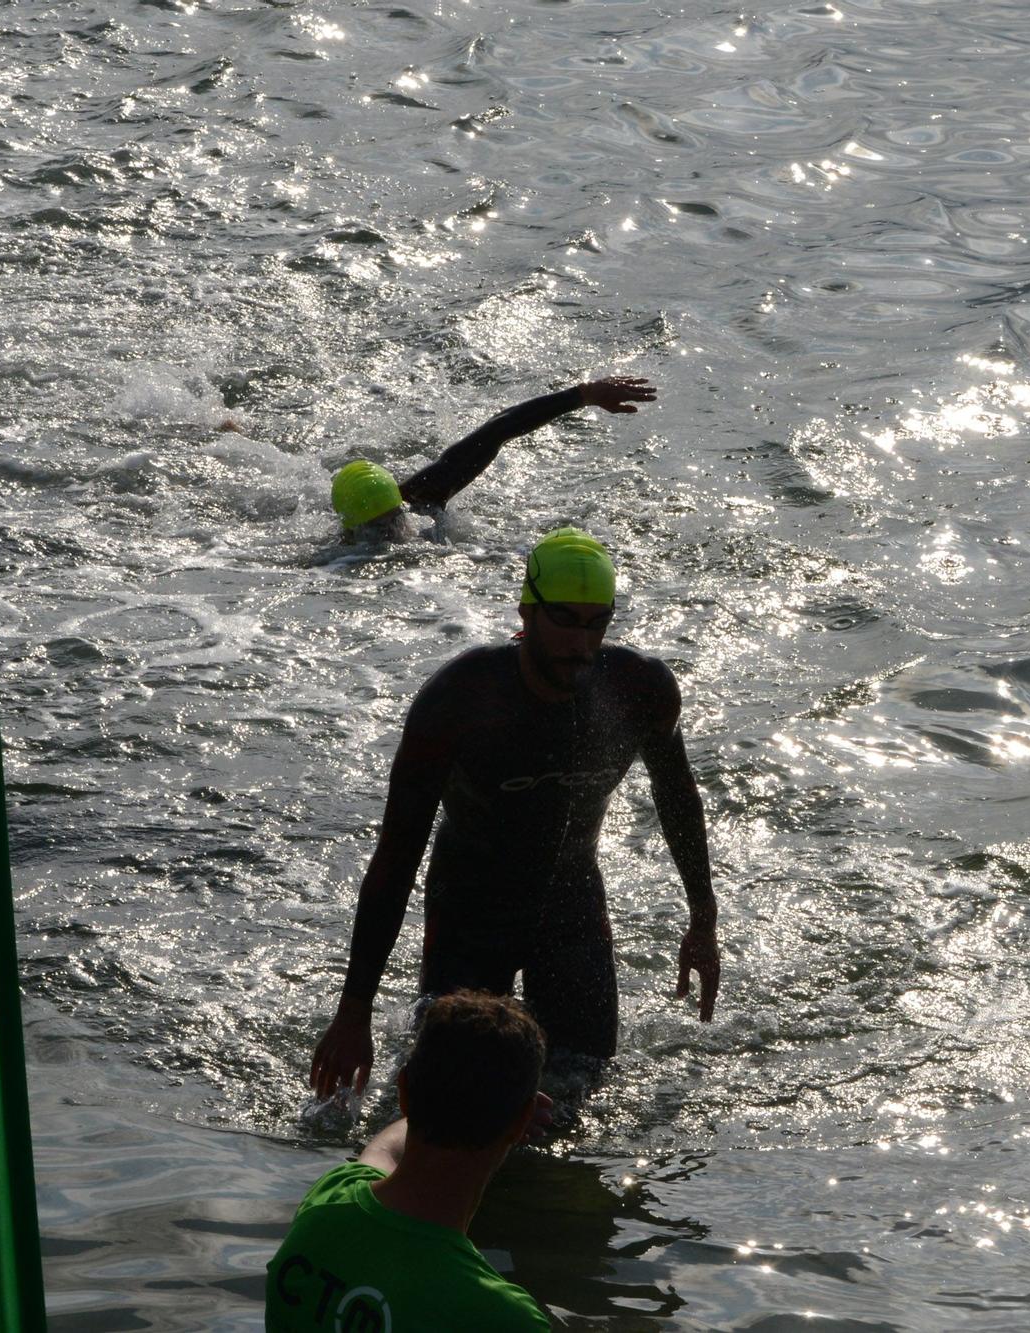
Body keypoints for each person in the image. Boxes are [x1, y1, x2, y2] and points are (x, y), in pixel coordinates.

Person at [308, 526, 721, 1094]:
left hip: (571, 903)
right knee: (456, 1096)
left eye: (596, 623)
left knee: (581, 1090)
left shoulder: (638, 690)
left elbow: (678, 799)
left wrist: (702, 918)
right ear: (527, 611)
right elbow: (399, 851)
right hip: (470, 907)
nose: (581, 643)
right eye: (564, 621)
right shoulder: (461, 699)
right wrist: (354, 1010)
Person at [268, 991, 552, 1331]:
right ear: (522, 1123)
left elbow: (384, 1150)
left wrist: (435, 1094)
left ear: (403, 1090)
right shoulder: (505, 1318)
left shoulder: (326, 1202)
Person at [328, 376, 657, 538]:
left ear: (402, 503)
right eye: (378, 527)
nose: (393, 532)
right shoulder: (328, 562)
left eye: (395, 518)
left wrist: (582, 395)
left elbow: (498, 429)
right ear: (351, 530)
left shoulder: (422, 500)